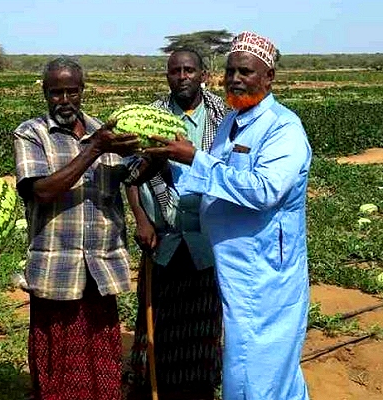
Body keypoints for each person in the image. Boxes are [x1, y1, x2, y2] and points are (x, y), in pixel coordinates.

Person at [144, 31, 312, 400]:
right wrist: (162, 163)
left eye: (246, 72)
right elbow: (210, 179)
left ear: (269, 78)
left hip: (265, 271)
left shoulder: (283, 128)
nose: (235, 79)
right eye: (231, 71)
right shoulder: (231, 122)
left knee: (258, 367)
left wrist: (193, 158)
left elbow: (264, 190)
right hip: (235, 267)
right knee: (246, 360)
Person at [13, 57, 140, 400]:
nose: (65, 100)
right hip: (56, 268)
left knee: (102, 360)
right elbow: (41, 191)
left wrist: (154, 152)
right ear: (45, 93)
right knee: (58, 365)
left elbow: (135, 177)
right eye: (56, 93)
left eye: (72, 91)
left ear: (83, 91)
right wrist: (94, 149)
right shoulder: (31, 134)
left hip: (100, 267)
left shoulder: (106, 131)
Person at [125, 48, 228, 400]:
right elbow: (131, 176)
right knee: (158, 319)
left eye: (188, 70)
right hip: (163, 236)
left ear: (202, 74)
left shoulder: (223, 115)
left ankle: (199, 388)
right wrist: (141, 221)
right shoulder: (150, 116)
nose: (181, 76)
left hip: (207, 238)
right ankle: (153, 383)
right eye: (174, 71)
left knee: (203, 322)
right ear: (166, 75)